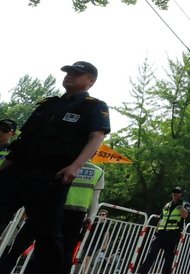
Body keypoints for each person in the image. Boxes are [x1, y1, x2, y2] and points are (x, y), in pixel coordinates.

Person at [0, 60, 110, 274]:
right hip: (17, 172)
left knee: (47, 235)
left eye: (77, 73)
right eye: (68, 72)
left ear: (91, 81)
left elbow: (96, 137)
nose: (70, 75)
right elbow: (23, 141)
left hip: (50, 176)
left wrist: (75, 166)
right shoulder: (47, 105)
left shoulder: (94, 106)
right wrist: (4, 168)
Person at [138, 186, 190, 274]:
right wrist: (157, 230)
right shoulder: (167, 204)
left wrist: (180, 206)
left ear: (181, 195)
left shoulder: (185, 204)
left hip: (172, 235)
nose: (175, 194)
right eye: (174, 192)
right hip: (160, 234)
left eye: (178, 193)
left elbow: (186, 215)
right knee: (151, 254)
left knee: (168, 259)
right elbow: (162, 218)